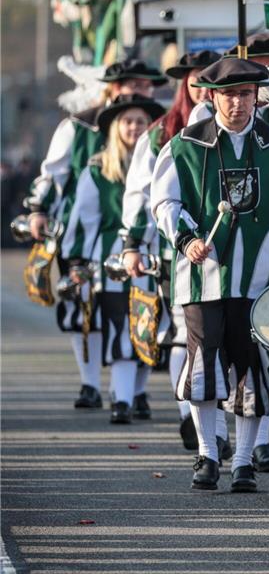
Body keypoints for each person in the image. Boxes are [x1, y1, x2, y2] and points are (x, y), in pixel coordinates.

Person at [152, 57, 269, 493]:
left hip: (264, 282)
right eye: (228, 94)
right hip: (203, 277)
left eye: (245, 94)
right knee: (205, 365)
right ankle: (209, 455)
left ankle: (244, 461)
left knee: (254, 370)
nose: (237, 103)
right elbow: (165, 203)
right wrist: (187, 238)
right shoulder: (186, 145)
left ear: (257, 96)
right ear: (212, 96)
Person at [25, 58, 166, 409]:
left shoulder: (155, 129)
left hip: (140, 236)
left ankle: (134, 389)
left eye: (145, 86)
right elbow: (53, 172)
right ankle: (90, 384)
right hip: (84, 229)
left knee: (140, 313)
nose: (138, 90)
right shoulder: (79, 126)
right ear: (112, 88)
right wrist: (38, 208)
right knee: (83, 309)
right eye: (130, 84)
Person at [120, 50, 227, 454]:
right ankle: (191, 416)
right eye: (197, 81)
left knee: (225, 341)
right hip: (174, 251)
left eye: (210, 81)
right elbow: (141, 193)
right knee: (183, 333)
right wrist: (133, 244)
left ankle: (219, 424)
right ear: (185, 84)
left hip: (226, 251)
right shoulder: (164, 133)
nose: (203, 89)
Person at [60, 94, 165, 423]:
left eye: (140, 122)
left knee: (151, 328)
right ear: (116, 128)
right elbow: (83, 217)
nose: (134, 127)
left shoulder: (162, 161)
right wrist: (77, 262)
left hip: (155, 259)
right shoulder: (99, 169)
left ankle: (136, 393)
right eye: (128, 121)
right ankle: (121, 400)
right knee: (122, 328)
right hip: (113, 263)